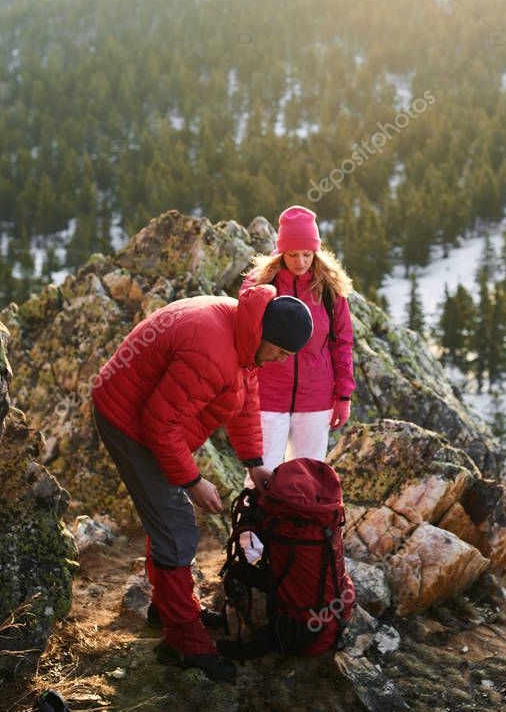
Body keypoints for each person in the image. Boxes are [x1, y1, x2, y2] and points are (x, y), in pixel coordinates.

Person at [91, 284, 313, 683]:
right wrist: (193, 481)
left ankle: (167, 608)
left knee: (168, 518)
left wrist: (255, 465)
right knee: (177, 526)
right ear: (266, 335)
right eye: (280, 352)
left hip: (146, 412)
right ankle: (182, 643)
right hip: (127, 419)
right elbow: (158, 425)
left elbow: (245, 400)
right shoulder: (213, 351)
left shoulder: (244, 332)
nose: (280, 361)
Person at [240, 205, 355, 476]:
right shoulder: (261, 283)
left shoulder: (330, 287)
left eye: (307, 254)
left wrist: (344, 396)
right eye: (292, 254)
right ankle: (256, 520)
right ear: (281, 252)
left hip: (316, 397)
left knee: (307, 479)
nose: (301, 262)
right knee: (261, 475)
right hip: (267, 395)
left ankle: (300, 521)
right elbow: (244, 333)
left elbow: (343, 343)